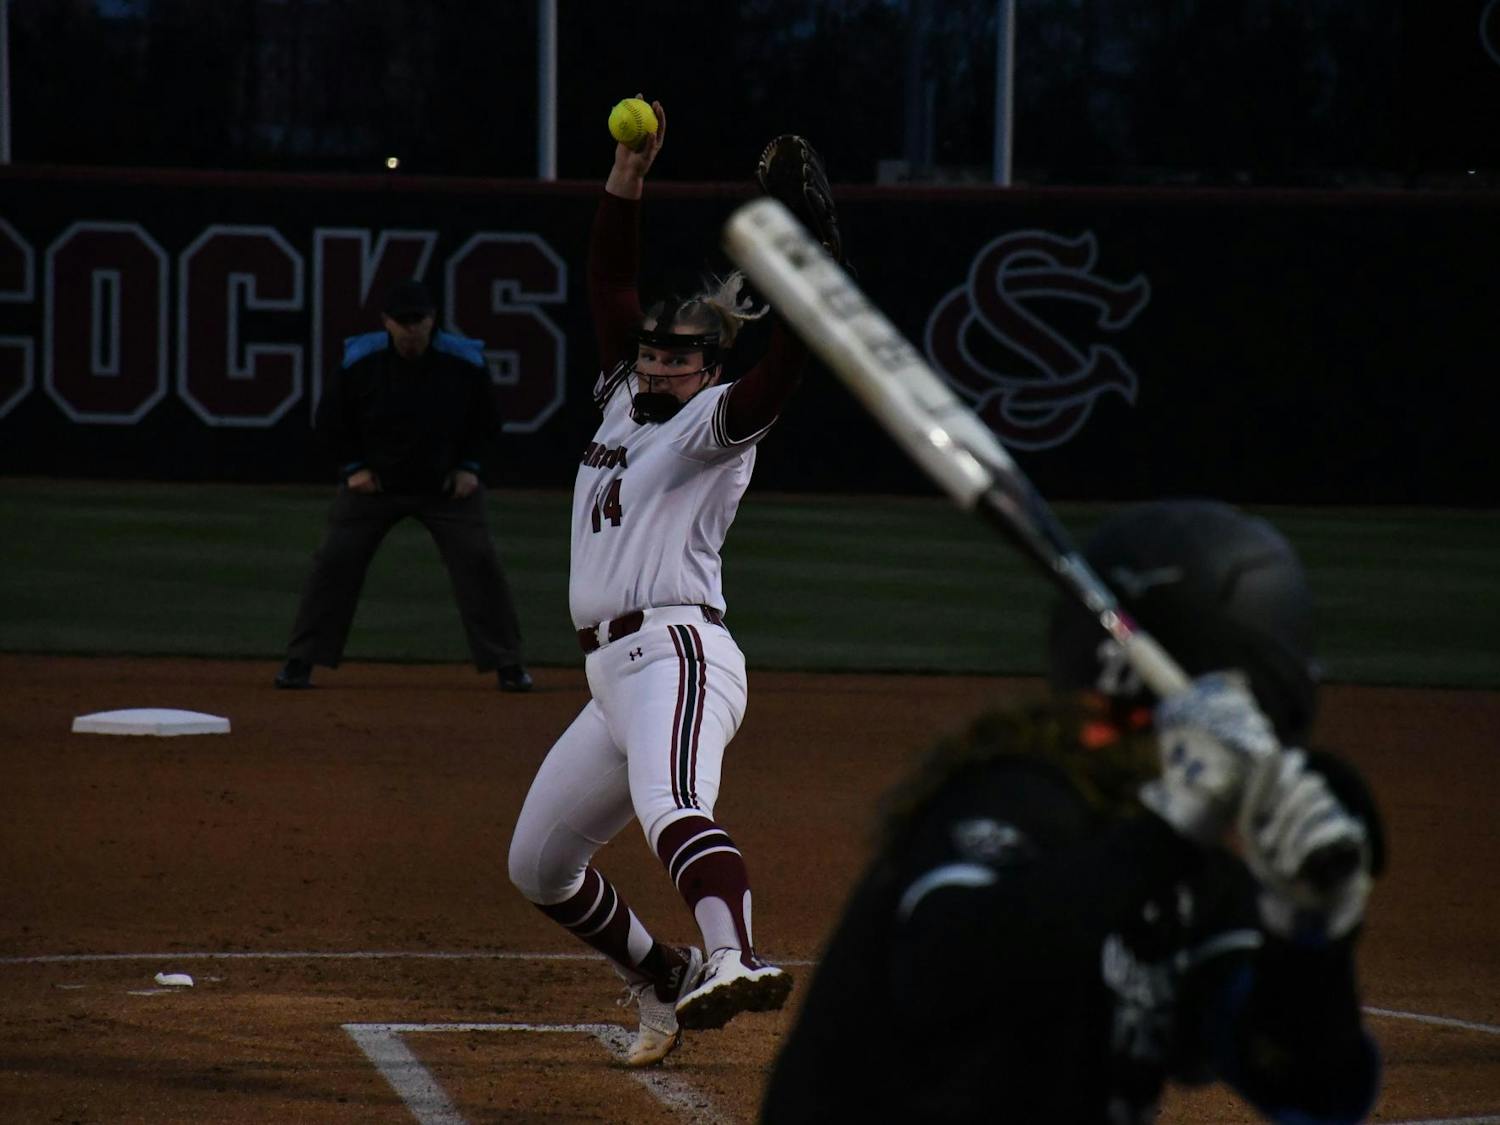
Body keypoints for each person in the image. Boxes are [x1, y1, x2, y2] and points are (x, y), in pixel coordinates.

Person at [762, 499, 1384, 1125]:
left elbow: (1308, 1092)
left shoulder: (1195, 871)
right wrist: (1169, 829)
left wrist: (1310, 942)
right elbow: (943, 970)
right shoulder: (1016, 796)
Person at [507, 100, 816, 1067]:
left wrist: (805, 279)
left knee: (672, 806)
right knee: (541, 864)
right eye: (649, 349)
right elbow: (608, 275)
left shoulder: (713, 420)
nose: (656, 363)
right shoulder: (618, 397)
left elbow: (778, 377)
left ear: (708, 369)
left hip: (676, 651)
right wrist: (626, 175)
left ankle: (733, 955)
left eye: (677, 357)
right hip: (611, 673)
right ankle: (669, 977)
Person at [274, 278, 531, 692]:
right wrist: (354, 467)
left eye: (419, 319)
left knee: (479, 562)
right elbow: (330, 421)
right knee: (334, 562)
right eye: (402, 320)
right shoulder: (361, 359)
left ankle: (509, 664)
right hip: (375, 485)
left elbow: (487, 422)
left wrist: (469, 467)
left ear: (433, 321)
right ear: (386, 322)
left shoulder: (464, 361)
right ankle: (300, 661)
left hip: (445, 487)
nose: (411, 328)